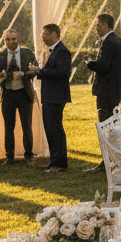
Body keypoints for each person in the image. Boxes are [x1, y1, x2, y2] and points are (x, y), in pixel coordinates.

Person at [0, 29, 38, 164]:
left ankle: (29, 155)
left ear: (18, 39)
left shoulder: (27, 53)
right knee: (8, 127)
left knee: (26, 126)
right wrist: (0, 76)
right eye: (8, 40)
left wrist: (23, 74)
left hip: (24, 93)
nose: (11, 42)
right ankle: (9, 157)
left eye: (13, 39)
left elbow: (35, 70)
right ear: (5, 41)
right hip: (8, 94)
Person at [31, 23, 72, 172]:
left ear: (54, 34)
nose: (42, 37)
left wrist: (40, 71)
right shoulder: (53, 51)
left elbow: (62, 73)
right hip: (50, 95)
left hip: (56, 96)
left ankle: (59, 164)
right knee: (50, 128)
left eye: (45, 34)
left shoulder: (62, 51)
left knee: (55, 129)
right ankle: (54, 161)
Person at [85, 13, 121, 124]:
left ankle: (108, 141)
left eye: (98, 25)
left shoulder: (108, 42)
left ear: (105, 25)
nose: (96, 28)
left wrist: (89, 63)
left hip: (108, 91)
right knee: (115, 121)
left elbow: (104, 66)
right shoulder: (117, 39)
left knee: (106, 122)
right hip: (116, 90)